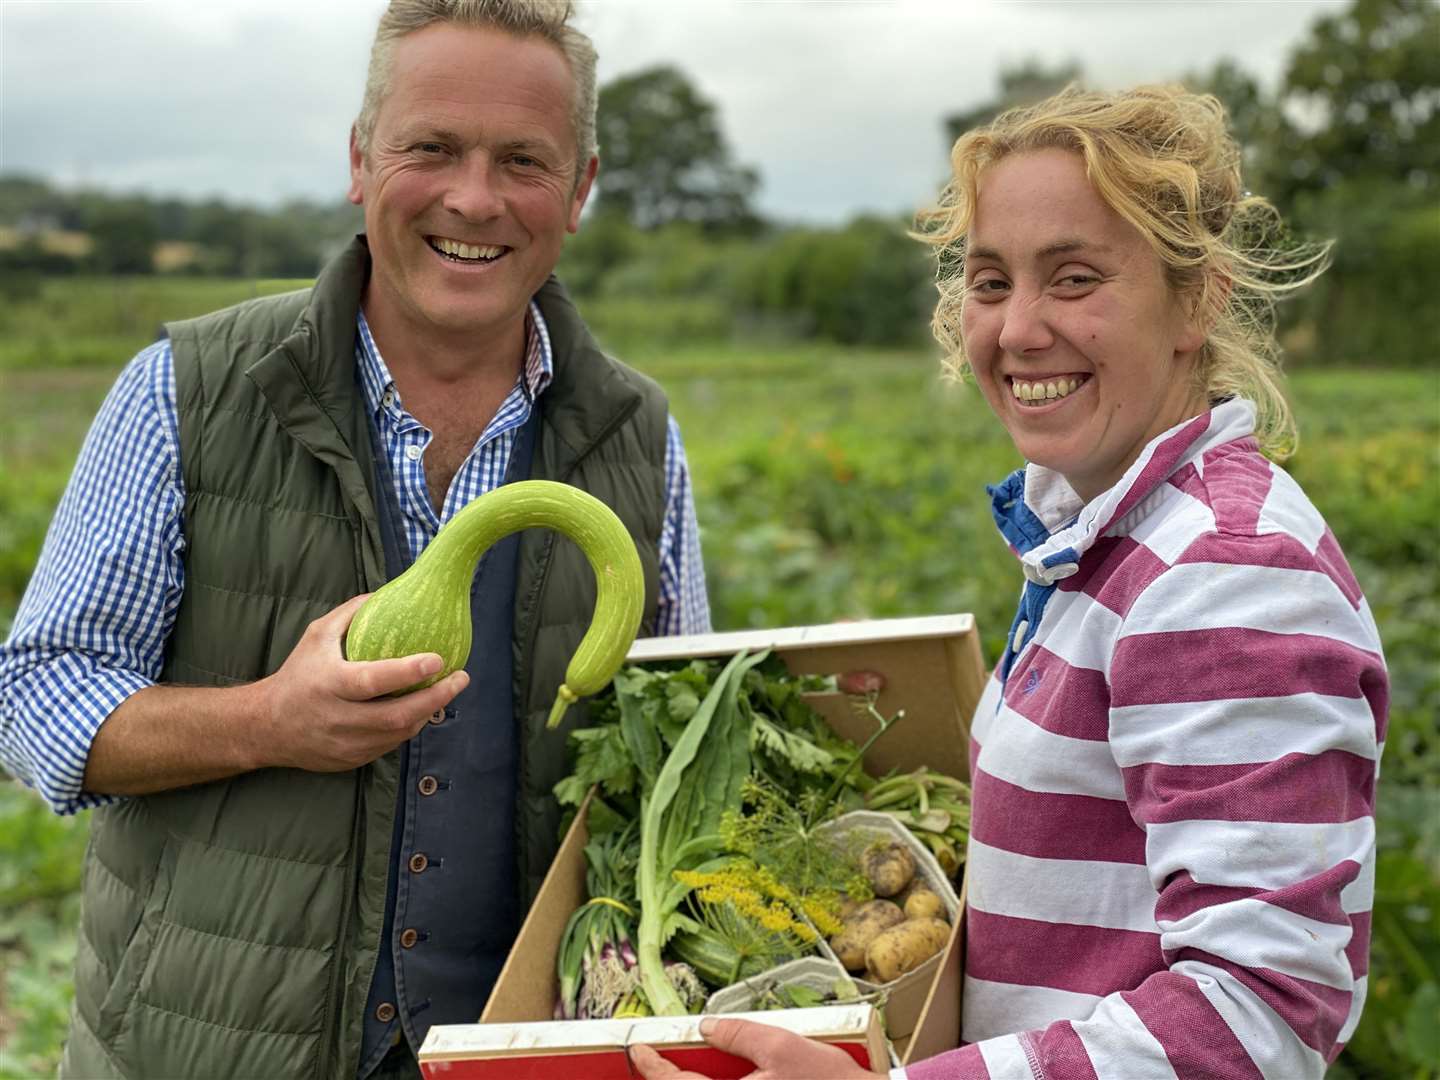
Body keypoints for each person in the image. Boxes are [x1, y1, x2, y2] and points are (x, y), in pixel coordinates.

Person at [0, 2, 710, 1077]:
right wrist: (266, 722)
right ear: (359, 160)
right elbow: (39, 702)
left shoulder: (641, 443)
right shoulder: (185, 393)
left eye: (523, 159)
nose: (474, 198)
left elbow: (675, 743)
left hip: (520, 1057)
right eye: (432, 148)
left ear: (580, 190)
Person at [631, 84, 1387, 1080]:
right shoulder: (1110, 538)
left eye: (1074, 279)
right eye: (991, 282)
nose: (1019, 329)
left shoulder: (1224, 576)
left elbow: (1262, 1020)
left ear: (1196, 298)